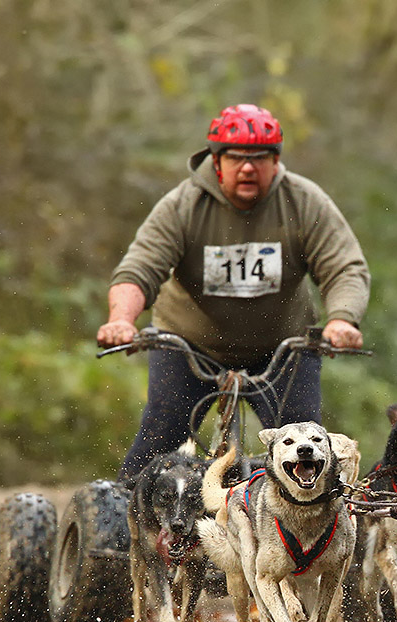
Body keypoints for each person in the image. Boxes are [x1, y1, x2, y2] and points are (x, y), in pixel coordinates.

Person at [97, 103, 371, 480]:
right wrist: (121, 321)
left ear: (275, 162)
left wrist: (342, 320)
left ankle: (309, 534)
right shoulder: (183, 205)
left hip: (282, 349)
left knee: (309, 450)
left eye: (259, 158)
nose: (247, 167)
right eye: (237, 157)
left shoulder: (304, 202)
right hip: (189, 344)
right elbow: (140, 267)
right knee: (158, 444)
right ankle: (123, 525)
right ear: (216, 160)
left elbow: (343, 267)